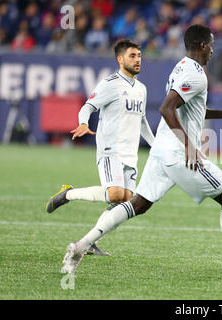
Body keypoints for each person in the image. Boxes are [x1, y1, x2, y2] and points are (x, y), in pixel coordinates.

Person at [60, 24, 222, 276]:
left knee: (138, 204)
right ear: (202, 45)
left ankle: (81, 245)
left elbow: (188, 107)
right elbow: (167, 109)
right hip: (179, 154)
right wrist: (189, 145)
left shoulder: (181, 67)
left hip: (161, 150)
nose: (213, 50)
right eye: (211, 44)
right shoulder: (196, 74)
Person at [46, 39, 154, 255]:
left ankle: (90, 242)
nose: (137, 60)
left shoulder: (141, 89)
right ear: (120, 59)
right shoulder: (110, 83)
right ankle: (67, 194)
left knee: (126, 202)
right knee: (115, 194)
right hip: (110, 149)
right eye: (132, 56)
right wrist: (83, 123)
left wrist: (155, 145)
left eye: (139, 56)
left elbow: (142, 122)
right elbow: (88, 105)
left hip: (130, 154)